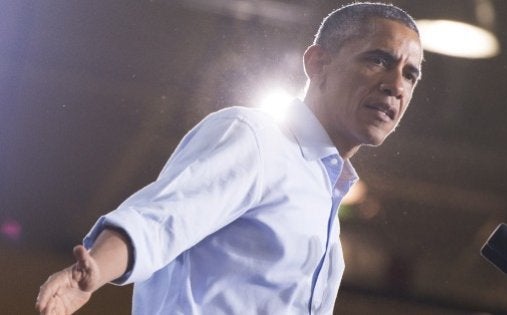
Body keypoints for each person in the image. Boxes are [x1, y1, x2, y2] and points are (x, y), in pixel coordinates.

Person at [36, 2, 423, 314]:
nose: (396, 85)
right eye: (379, 60)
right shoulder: (257, 138)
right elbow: (163, 217)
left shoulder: (324, 200)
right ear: (318, 63)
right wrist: (94, 270)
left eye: (410, 75)